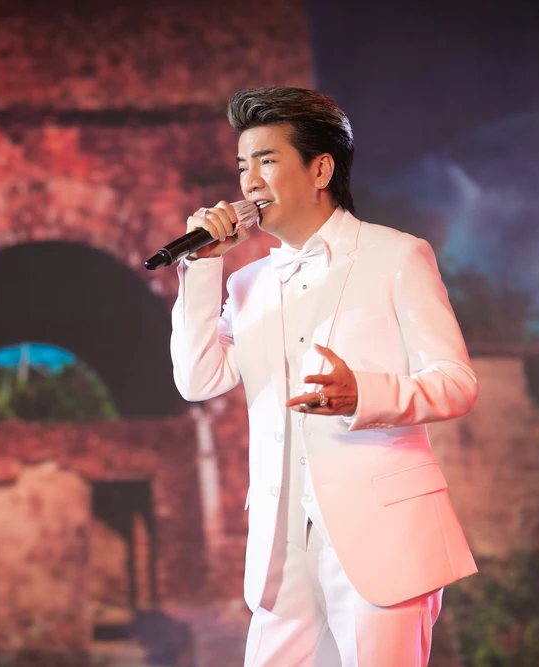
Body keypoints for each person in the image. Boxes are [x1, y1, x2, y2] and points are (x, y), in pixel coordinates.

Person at [169, 87, 479, 667]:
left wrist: (365, 394)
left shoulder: (397, 257)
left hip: (382, 538)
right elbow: (198, 379)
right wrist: (203, 266)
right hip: (282, 549)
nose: (249, 182)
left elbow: (456, 381)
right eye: (242, 166)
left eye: (266, 161)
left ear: (320, 170)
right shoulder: (248, 283)